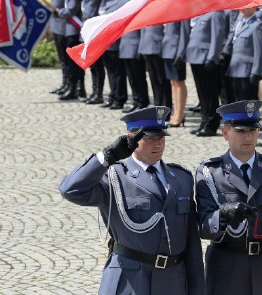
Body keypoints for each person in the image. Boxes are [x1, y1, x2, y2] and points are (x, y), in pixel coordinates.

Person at [59, 106, 204, 294]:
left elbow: (192, 245)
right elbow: (70, 190)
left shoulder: (181, 178)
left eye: (161, 138)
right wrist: (107, 156)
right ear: (131, 137)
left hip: (172, 282)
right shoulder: (114, 175)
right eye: (150, 138)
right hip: (130, 280)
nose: (158, 144)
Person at [195, 100, 262, 295]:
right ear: (225, 133)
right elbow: (203, 226)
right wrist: (221, 216)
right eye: (240, 131)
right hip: (226, 267)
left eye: (253, 130)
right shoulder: (210, 173)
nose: (248, 136)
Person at [186, 11, 226, 136]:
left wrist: (212, 57)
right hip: (196, 57)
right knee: (202, 94)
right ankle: (204, 122)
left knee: (210, 94)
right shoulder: (201, 14)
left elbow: (217, 36)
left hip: (206, 58)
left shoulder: (215, 14)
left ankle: (211, 124)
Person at [139, 0, 171, 109]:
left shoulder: (168, 3)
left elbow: (168, 29)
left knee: (162, 79)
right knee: (154, 79)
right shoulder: (149, 3)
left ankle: (165, 107)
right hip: (147, 46)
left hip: (159, 47)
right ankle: (157, 105)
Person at [120, 0, 151, 113]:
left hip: (137, 46)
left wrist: (141, 48)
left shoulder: (143, 6)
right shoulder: (127, 5)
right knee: (131, 77)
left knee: (139, 77)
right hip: (126, 45)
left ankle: (143, 101)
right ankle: (136, 100)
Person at [99, 0, 129, 109]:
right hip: (106, 40)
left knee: (118, 72)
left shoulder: (127, 0)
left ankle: (120, 97)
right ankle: (112, 95)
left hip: (117, 41)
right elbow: (101, 13)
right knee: (110, 70)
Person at [227, 7, 262, 100]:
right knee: (239, 101)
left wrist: (256, 72)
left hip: (248, 71)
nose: (242, 9)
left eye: (246, 7)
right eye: (241, 7)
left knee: (249, 102)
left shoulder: (257, 26)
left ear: (254, 9)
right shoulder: (239, 23)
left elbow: (259, 52)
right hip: (236, 69)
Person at [81, 0, 106, 105]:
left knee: (98, 66)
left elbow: (91, 14)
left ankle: (99, 93)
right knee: (93, 66)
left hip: (96, 34)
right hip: (89, 33)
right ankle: (94, 92)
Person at [161, 19, 191, 127]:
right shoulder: (171, 10)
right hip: (167, 50)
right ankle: (176, 112)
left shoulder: (182, 10)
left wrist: (181, 54)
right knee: (172, 82)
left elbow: (185, 33)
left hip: (176, 51)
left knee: (179, 82)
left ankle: (180, 113)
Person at [48, 0, 71, 95]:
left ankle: (69, 84)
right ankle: (64, 83)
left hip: (63, 26)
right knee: (62, 59)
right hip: (56, 25)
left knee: (66, 59)